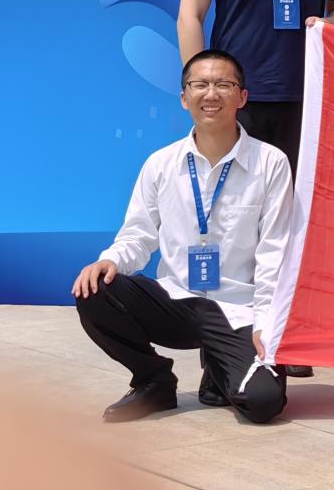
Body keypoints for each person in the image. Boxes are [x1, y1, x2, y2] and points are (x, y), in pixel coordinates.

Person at [177, 0, 334, 379]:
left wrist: (330, 27)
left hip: (305, 101)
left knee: (292, 225)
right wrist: (202, 86)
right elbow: (191, 12)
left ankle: (284, 337)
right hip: (238, 102)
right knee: (231, 223)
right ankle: (223, 352)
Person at [72, 51, 291, 424]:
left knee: (263, 402)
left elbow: (275, 251)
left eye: (224, 84)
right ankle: (154, 381)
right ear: (184, 97)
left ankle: (220, 369)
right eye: (200, 84)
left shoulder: (271, 163)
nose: (211, 94)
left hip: (239, 310)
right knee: (95, 288)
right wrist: (110, 259)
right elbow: (138, 234)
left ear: (242, 97)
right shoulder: (161, 163)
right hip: (176, 300)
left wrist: (267, 322)